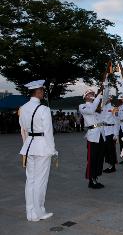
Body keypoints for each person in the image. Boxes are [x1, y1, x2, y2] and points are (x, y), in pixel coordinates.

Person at [19, 80, 57, 222]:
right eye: (42, 91)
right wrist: (53, 150)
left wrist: (26, 144)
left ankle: (30, 212)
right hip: (42, 147)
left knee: (31, 181)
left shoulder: (22, 108)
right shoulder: (44, 109)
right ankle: (39, 212)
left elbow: (23, 129)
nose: (43, 93)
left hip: (29, 146)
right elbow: (48, 132)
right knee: (40, 181)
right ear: (39, 92)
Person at [79, 85, 106, 189]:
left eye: (93, 94)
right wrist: (98, 97)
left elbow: (102, 117)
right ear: (85, 97)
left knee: (99, 158)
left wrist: (101, 99)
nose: (92, 95)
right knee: (92, 158)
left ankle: (96, 178)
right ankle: (91, 179)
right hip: (93, 135)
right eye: (90, 94)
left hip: (100, 134)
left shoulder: (96, 106)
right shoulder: (82, 106)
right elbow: (90, 111)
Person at [101, 94, 119, 173]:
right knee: (106, 150)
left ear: (110, 99)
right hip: (104, 131)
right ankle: (109, 165)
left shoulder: (114, 108)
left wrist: (116, 134)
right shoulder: (102, 108)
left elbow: (117, 121)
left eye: (107, 98)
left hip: (111, 131)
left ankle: (112, 166)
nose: (105, 99)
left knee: (111, 150)